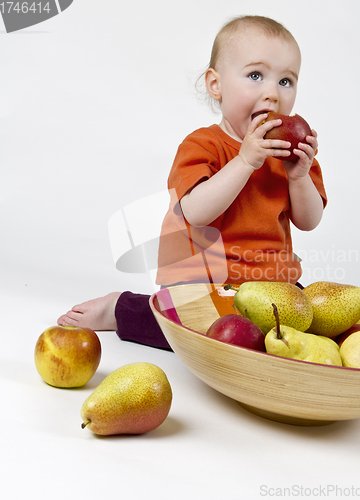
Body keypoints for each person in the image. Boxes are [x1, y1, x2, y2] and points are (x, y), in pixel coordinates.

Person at [57, 15, 327, 350]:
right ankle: (122, 309)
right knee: (198, 334)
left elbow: (309, 221)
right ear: (216, 84)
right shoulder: (203, 146)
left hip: (270, 285)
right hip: (204, 282)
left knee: (310, 328)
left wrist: (299, 177)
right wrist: (245, 161)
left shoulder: (291, 156)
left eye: (286, 81)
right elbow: (195, 212)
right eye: (255, 75)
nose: (272, 94)